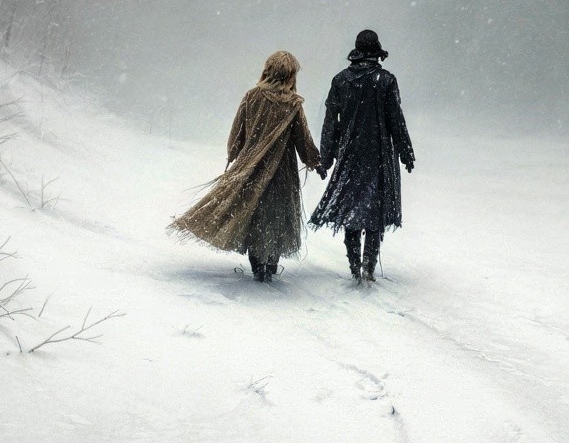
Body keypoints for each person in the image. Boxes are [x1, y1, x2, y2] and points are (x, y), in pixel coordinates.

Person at [170, 50, 321, 281]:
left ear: (267, 70)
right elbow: (303, 140)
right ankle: (270, 264)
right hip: (283, 172)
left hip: (250, 168)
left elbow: (237, 134)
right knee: (277, 216)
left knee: (253, 214)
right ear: (290, 76)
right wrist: (314, 161)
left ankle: (257, 265)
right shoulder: (293, 105)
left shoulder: (251, 97)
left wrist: (234, 155)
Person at [311, 29, 415, 282]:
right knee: (375, 210)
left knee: (351, 208)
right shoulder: (386, 80)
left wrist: (327, 156)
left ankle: (355, 266)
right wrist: (406, 152)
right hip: (379, 154)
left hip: (350, 153)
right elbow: (396, 120)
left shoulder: (340, 80)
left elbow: (330, 123)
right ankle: (368, 266)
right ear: (377, 50)